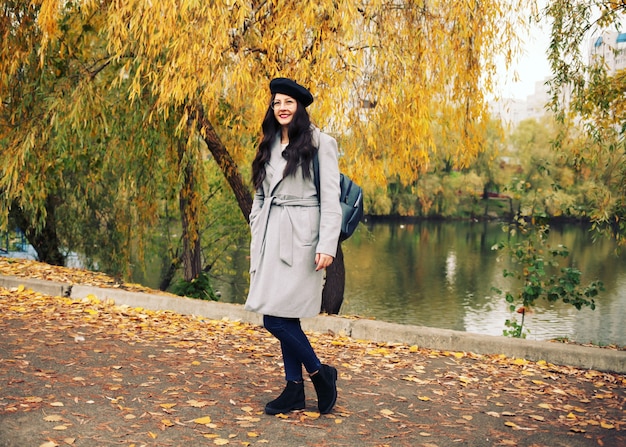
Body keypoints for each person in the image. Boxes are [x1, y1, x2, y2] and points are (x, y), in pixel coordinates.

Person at [245, 78, 342, 415]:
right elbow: (260, 193)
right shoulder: (269, 143)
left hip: (303, 239)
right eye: (276, 103)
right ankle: (294, 389)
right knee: (279, 314)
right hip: (272, 235)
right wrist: (257, 224)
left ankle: (319, 374)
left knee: (277, 319)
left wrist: (327, 244)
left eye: (288, 102)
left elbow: (332, 200)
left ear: (299, 107)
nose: (282, 108)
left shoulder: (320, 143)